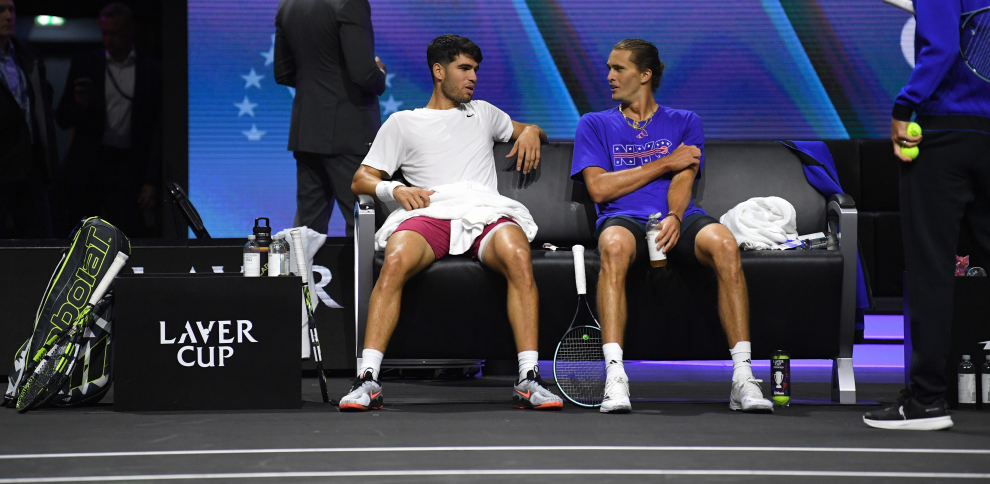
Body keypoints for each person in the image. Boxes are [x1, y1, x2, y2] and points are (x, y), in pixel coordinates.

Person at [341, 34, 560, 411]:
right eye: (464, 68)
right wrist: (393, 190)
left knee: (518, 256)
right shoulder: (402, 123)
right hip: (430, 214)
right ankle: (368, 380)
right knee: (394, 260)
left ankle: (529, 378)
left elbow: (530, 129)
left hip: (484, 212)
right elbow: (361, 178)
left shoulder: (485, 113)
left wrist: (533, 135)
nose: (473, 77)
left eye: (476, 69)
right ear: (439, 71)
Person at [571, 39, 774, 414]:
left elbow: (684, 179)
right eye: (609, 68)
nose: (609, 76)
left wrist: (675, 217)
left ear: (645, 75)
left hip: (677, 217)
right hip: (623, 219)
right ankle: (615, 376)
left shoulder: (685, 121)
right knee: (613, 245)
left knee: (725, 243)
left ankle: (743, 376)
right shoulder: (594, 123)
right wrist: (665, 163)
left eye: (619, 69)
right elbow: (599, 188)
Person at [863, 0, 990, 431]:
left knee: (932, 268)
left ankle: (927, 401)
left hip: (946, 133)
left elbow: (942, 47)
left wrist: (903, 108)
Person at [274, 0, 386, 237]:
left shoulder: (288, 5)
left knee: (307, 227)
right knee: (365, 221)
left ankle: (302, 275)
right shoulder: (350, 3)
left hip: (307, 129)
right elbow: (364, 74)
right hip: (349, 130)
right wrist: (380, 74)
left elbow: (283, 73)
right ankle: (366, 276)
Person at [54, 2, 162, 238]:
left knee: (126, 231)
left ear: (129, 31)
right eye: (104, 33)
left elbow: (157, 129)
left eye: (114, 33)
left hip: (128, 165)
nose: (108, 40)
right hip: (90, 163)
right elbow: (62, 117)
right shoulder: (87, 64)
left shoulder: (150, 69)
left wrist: (151, 180)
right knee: (83, 234)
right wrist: (79, 103)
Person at [0, 0, 57, 238]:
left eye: (11, 9)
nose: (8, 16)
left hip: (29, 164)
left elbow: (40, 103)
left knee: (40, 240)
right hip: (3, 164)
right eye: (1, 10)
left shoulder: (25, 55)